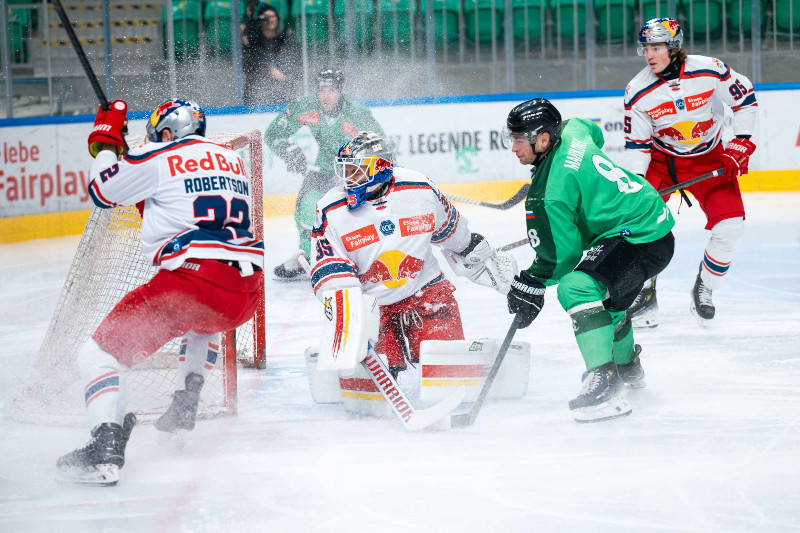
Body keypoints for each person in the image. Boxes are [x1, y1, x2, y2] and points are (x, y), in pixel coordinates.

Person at [56, 99, 264, 486]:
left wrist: (107, 142)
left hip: (192, 284)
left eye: (156, 135)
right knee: (202, 324)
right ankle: (186, 402)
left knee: (98, 356)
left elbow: (102, 190)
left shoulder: (159, 155)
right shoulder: (229, 159)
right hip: (244, 291)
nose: (152, 141)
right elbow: (175, 201)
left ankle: (104, 448)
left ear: (167, 133)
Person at [503, 98, 676, 423]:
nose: (513, 147)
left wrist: (531, 281)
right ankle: (627, 367)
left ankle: (605, 382)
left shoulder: (550, 194)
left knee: (576, 287)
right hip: (649, 220)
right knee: (605, 300)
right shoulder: (572, 130)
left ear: (543, 139)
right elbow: (593, 132)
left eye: (519, 139)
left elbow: (562, 257)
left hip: (639, 237)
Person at [309, 131, 509, 378]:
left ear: (379, 167)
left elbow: (449, 231)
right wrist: (350, 313)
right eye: (346, 170)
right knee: (373, 382)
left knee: (448, 371)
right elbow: (330, 267)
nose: (348, 179)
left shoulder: (419, 188)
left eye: (355, 170)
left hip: (427, 293)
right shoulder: (330, 209)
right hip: (371, 306)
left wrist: (469, 245)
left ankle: (446, 372)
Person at [623, 18, 757, 327]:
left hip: (710, 158)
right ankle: (644, 294)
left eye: (656, 48)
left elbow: (744, 98)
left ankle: (705, 286)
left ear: (674, 47)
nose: (649, 55)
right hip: (661, 162)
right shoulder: (637, 90)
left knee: (731, 227)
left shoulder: (709, 69)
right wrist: (638, 185)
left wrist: (741, 140)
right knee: (639, 224)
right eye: (646, 48)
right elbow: (638, 146)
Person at [264, 68, 386, 280]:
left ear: (340, 91)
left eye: (331, 90)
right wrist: (287, 150)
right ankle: (306, 256)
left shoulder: (357, 114)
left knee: (356, 214)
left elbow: (381, 147)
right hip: (324, 168)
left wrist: (380, 178)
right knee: (307, 205)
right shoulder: (306, 107)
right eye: (322, 91)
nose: (326, 96)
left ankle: (362, 257)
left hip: (353, 171)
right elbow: (273, 133)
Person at [241, 3, 301, 105]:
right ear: (260, 20)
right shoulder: (252, 40)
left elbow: (297, 63)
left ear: (277, 18)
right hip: (257, 89)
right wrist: (267, 69)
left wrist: (284, 76)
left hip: (283, 89)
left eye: (273, 16)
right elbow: (246, 61)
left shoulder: (285, 38)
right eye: (266, 17)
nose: (270, 20)